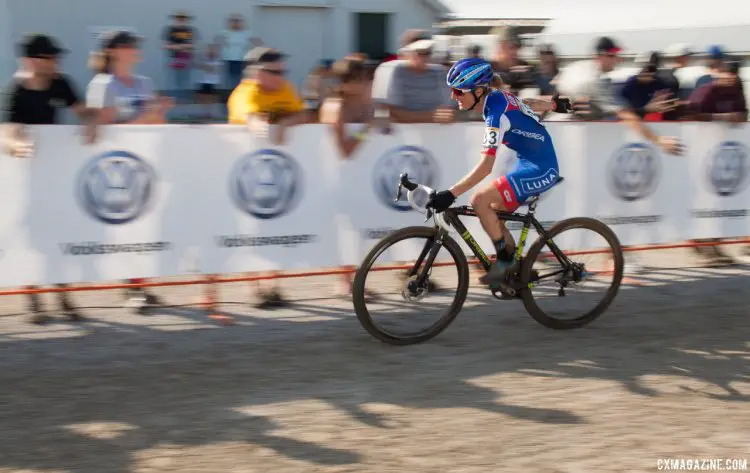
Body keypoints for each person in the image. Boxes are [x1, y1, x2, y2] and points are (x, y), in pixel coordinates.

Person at [425, 57, 572, 288]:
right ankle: (517, 269)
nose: (453, 96)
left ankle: (505, 262)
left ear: (479, 90)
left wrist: (451, 194)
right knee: (492, 214)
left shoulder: (495, 114)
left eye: (458, 91)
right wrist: (553, 106)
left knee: (479, 200)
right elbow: (527, 103)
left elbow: (486, 167)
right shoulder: (496, 98)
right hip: (528, 163)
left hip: (541, 169)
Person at [2, 33, 99, 324]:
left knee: (59, 237)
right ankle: (34, 300)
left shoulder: (61, 83)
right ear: (32, 61)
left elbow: (83, 110)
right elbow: (6, 128)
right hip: (25, 178)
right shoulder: (16, 91)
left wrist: (91, 122)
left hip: (56, 176)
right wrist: (15, 143)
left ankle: (63, 298)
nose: (57, 62)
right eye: (50, 57)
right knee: (33, 241)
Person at [86, 29, 173, 312]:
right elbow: (105, 128)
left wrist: (159, 113)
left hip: (144, 162)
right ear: (113, 51)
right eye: (130, 45)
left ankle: (140, 284)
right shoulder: (103, 84)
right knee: (124, 227)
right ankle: (129, 287)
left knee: (145, 226)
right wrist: (145, 117)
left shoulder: (144, 82)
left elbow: (155, 124)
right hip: (116, 166)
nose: (136, 49)